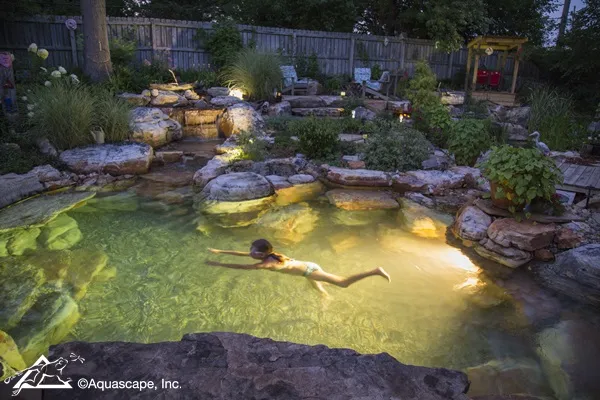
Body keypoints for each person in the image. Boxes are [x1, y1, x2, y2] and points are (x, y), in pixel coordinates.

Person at [207, 239, 390, 295]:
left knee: (342, 283)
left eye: (253, 251)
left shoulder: (267, 263)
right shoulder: (270, 253)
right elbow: (241, 254)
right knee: (313, 283)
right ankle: (325, 297)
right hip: (308, 266)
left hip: (310, 270)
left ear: (262, 254)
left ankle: (375, 271)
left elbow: (243, 267)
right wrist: (219, 250)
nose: (250, 252)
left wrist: (219, 264)